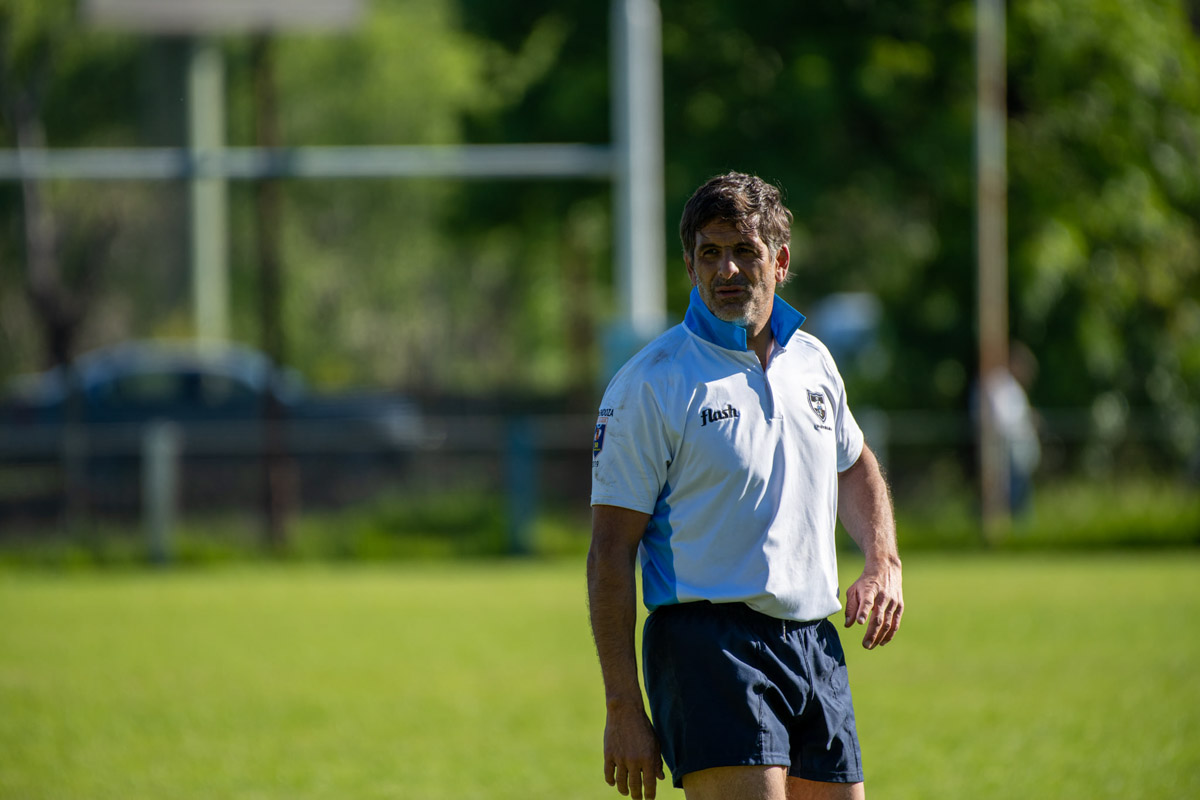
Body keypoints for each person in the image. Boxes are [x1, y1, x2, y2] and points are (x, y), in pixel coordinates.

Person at [587, 172, 903, 800]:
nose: (727, 270)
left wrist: (882, 560)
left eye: (745, 251)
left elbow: (854, 462)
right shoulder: (651, 383)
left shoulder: (813, 361)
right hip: (710, 647)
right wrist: (624, 706)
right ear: (689, 264)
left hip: (815, 641)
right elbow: (609, 553)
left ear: (779, 261)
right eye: (710, 252)